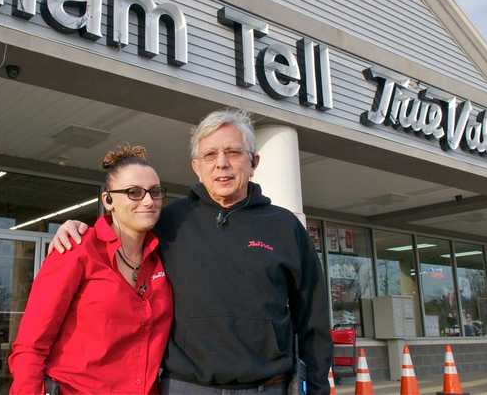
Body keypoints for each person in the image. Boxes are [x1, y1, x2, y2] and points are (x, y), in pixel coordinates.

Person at [51, 109, 333, 395]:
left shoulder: (285, 227)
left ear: (254, 162)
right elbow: (121, 232)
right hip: (183, 387)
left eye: (233, 152)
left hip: (267, 388)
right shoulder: (168, 221)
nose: (221, 164)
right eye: (210, 155)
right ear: (196, 167)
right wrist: (80, 228)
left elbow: (314, 319)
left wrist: (319, 387)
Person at [8, 145, 173, 395]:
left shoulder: (163, 255)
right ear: (108, 200)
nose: (148, 201)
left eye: (155, 192)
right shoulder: (76, 249)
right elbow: (31, 345)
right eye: (134, 192)